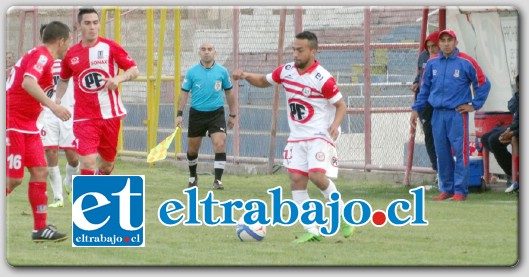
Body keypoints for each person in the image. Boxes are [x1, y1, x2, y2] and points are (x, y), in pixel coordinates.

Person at [232, 31, 354, 242]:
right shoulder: (287, 70)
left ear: (313, 52)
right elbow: (264, 80)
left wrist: (335, 124)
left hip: (320, 134)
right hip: (297, 136)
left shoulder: (322, 78)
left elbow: (341, 105)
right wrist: (245, 76)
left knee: (316, 175)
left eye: (300, 50)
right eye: (294, 50)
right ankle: (312, 230)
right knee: (297, 180)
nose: (296, 54)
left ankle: (343, 216)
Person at [6, 21, 72, 242]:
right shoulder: (42, 55)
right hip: (12, 121)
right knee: (13, 179)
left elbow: (43, 88)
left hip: (29, 126)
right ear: (61, 40)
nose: (68, 46)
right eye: (68, 41)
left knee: (40, 171)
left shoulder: (45, 58)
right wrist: (54, 107)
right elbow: (27, 83)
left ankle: (40, 229)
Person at [55, 7, 139, 177]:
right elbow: (63, 79)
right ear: (79, 26)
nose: (92, 27)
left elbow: (134, 70)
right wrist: (56, 100)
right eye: (87, 23)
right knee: (88, 161)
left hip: (110, 114)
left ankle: (99, 182)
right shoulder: (71, 54)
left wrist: (118, 79)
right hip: (84, 117)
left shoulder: (111, 47)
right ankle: (87, 201)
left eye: (95, 23)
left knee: (107, 166)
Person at [410, 29, 491, 201]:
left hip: (457, 114)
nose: (446, 43)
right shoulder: (432, 63)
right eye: (443, 40)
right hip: (437, 114)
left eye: (449, 40)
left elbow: (483, 83)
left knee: (461, 152)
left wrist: (474, 105)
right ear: (439, 44)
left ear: (455, 42)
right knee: (442, 152)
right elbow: (424, 89)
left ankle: (460, 191)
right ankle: (446, 189)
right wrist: (416, 109)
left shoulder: (466, 62)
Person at [175, 42, 236, 190]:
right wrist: (179, 114)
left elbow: (229, 92)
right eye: (203, 49)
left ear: (215, 52)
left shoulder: (222, 72)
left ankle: (218, 180)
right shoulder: (192, 72)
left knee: (220, 143)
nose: (206, 52)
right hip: (197, 114)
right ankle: (193, 176)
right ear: (199, 52)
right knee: (192, 149)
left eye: (210, 49)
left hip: (216, 113)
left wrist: (233, 114)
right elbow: (184, 93)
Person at [38, 24, 80, 207]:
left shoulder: (70, 59)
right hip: (48, 113)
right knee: (51, 153)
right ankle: (58, 197)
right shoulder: (39, 61)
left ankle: (69, 184)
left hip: (69, 111)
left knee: (73, 156)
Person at [411, 31, 439, 182]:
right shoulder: (423, 56)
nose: (431, 49)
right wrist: (416, 82)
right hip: (424, 102)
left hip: (440, 103)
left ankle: (449, 171)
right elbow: (420, 75)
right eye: (428, 46)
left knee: (443, 135)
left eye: (434, 46)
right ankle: (437, 169)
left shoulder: (445, 60)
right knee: (429, 134)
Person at [496, 74, 519, 193]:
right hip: (516, 126)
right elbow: (511, 106)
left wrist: (513, 132)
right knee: (489, 139)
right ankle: (513, 176)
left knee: (515, 138)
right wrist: (510, 130)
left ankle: (517, 179)